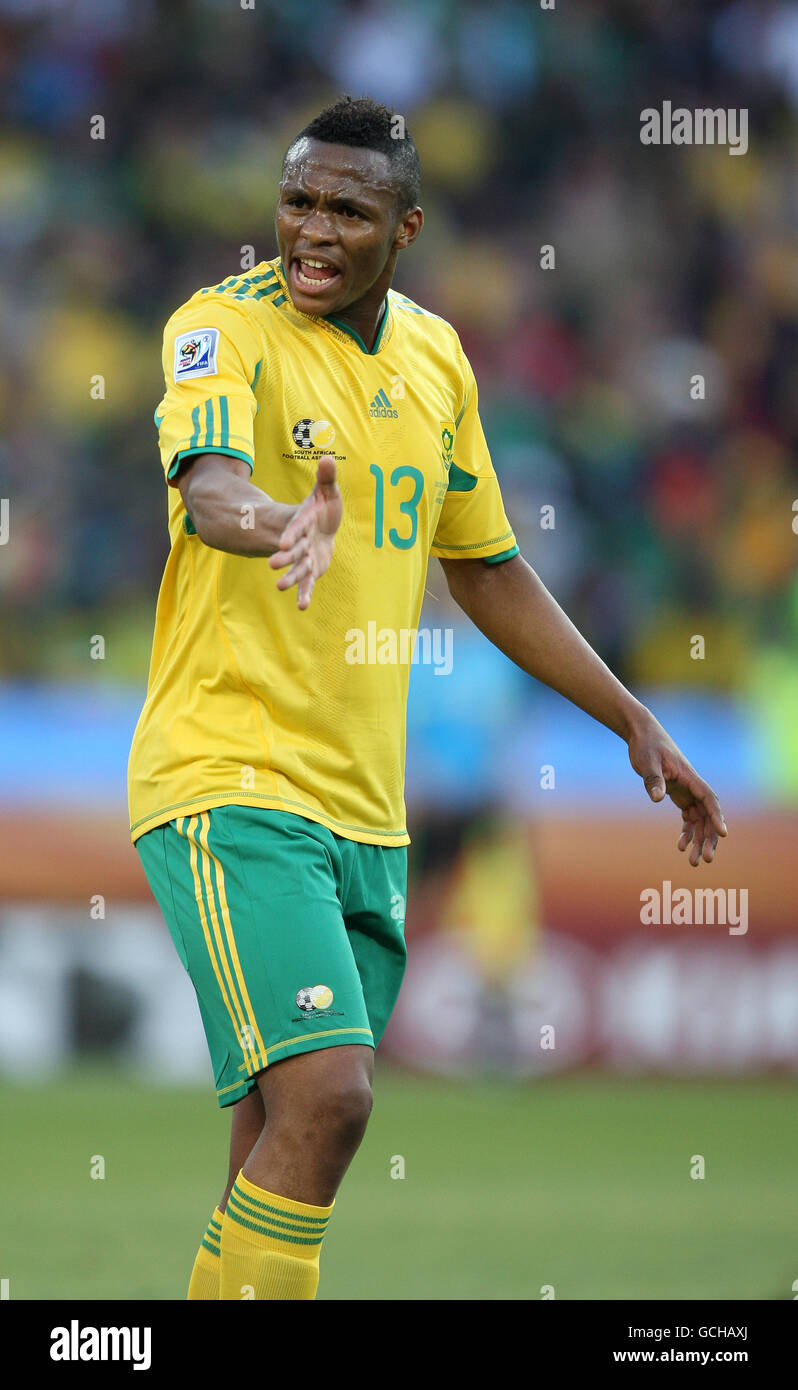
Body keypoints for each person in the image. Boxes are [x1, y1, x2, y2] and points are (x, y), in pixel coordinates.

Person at [128, 95, 726, 1302]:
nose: (311, 230)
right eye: (298, 201)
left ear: (407, 228)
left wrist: (630, 716)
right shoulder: (220, 328)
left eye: (348, 209)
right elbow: (209, 489)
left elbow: (489, 566)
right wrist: (279, 521)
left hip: (367, 811)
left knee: (277, 1141)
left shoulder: (437, 357)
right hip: (230, 778)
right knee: (335, 1098)